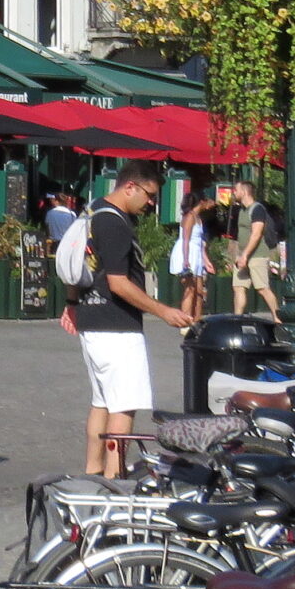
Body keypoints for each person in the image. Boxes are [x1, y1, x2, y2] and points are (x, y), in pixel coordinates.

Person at [64, 159, 192, 476]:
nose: (150, 203)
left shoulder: (92, 211)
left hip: (92, 318)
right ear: (129, 186)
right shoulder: (115, 223)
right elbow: (118, 283)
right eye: (149, 195)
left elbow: (74, 260)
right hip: (117, 325)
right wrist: (163, 311)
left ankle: (94, 469)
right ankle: (114, 473)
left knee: (102, 401)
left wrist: (71, 303)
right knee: (123, 406)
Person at [233, 177, 281, 319]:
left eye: (236, 190)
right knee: (238, 287)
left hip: (256, 255)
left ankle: (278, 319)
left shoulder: (257, 209)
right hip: (242, 255)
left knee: (262, 288)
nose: (234, 193)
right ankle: (237, 319)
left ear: (244, 191)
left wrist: (245, 256)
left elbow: (256, 234)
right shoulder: (241, 210)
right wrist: (239, 255)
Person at [169, 189, 214, 320]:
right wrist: (186, 259)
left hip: (196, 254)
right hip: (187, 253)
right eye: (207, 201)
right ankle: (186, 319)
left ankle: (197, 320)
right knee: (190, 289)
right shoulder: (189, 216)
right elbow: (186, 238)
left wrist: (206, 261)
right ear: (202, 202)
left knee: (199, 291)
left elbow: (199, 242)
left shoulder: (198, 218)